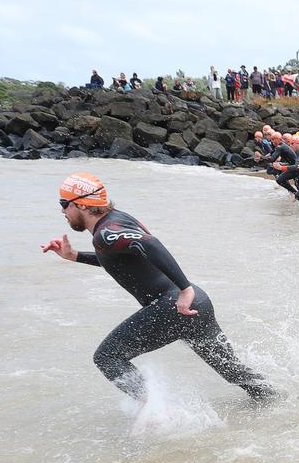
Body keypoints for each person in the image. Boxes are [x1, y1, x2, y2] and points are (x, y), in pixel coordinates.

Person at [41, 172, 276, 403]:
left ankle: (155, 409)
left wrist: (185, 290)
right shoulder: (117, 220)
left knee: (107, 357)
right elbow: (123, 258)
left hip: (175, 305)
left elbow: (150, 244)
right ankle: (275, 400)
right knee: (234, 373)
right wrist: (74, 256)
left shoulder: (104, 234)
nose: (62, 211)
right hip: (196, 304)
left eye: (64, 203)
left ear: (81, 204)